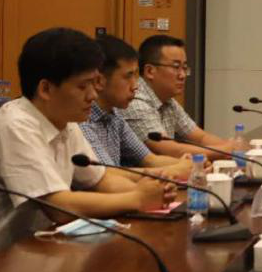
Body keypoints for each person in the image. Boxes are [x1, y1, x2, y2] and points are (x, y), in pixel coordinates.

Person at [0, 28, 173, 272]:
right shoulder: (16, 125)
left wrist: (154, 193)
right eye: (83, 86)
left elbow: (101, 179)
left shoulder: (64, 120)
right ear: (46, 89)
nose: (92, 95)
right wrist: (136, 198)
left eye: (94, 83)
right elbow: (58, 207)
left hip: (24, 259)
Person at [81, 35, 191, 178]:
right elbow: (107, 174)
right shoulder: (82, 120)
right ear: (99, 81)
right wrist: (174, 170)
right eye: (128, 76)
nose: (135, 86)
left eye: (135, 75)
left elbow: (149, 159)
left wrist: (192, 164)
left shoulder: (115, 116)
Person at [124, 34, 236, 158]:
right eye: (176, 67)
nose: (182, 75)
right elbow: (169, 149)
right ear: (150, 71)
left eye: (184, 68)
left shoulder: (168, 101)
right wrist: (228, 150)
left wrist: (235, 149)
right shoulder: (135, 102)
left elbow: (200, 137)